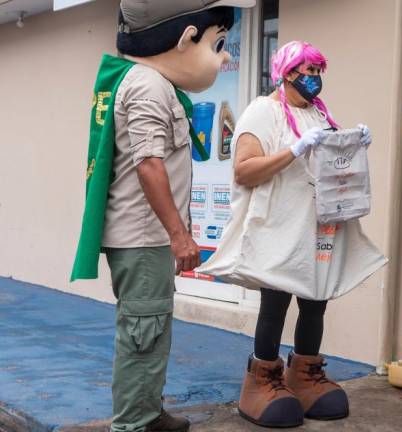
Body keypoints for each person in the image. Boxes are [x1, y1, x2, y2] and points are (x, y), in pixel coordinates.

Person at [70, 1, 256, 431]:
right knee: (143, 333)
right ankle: (133, 423)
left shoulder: (151, 82)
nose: (225, 56)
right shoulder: (149, 86)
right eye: (219, 43)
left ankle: (147, 413)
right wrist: (179, 235)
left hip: (146, 237)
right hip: (142, 237)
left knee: (150, 330)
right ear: (186, 37)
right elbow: (149, 164)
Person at [197, 41, 384, 428]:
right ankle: (262, 377)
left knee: (316, 299)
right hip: (277, 225)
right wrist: (294, 150)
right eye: (307, 71)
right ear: (286, 74)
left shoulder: (320, 114)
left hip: (317, 225)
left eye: (318, 71)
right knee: (276, 299)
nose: (314, 79)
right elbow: (245, 170)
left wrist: (353, 144)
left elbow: (333, 166)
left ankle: (304, 374)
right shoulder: (263, 112)